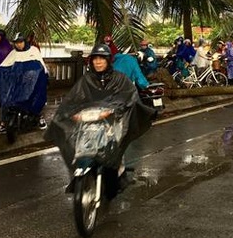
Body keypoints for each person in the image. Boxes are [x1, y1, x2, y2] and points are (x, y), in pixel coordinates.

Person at [45, 44, 155, 199]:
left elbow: (128, 97)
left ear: (108, 61)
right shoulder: (86, 80)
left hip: (112, 123)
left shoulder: (119, 78)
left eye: (101, 59)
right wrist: (71, 113)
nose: (98, 62)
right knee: (78, 147)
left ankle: (115, 179)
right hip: (90, 122)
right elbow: (74, 98)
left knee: (112, 156)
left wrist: (114, 110)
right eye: (95, 59)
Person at [0, 33, 48, 135]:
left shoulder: (34, 50)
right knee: (6, 99)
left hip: (32, 81)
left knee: (37, 95)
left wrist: (40, 77)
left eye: (20, 42)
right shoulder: (13, 53)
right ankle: (3, 123)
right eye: (16, 43)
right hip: (18, 83)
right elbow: (4, 66)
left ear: (24, 41)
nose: (18, 45)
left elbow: (41, 66)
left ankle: (39, 117)